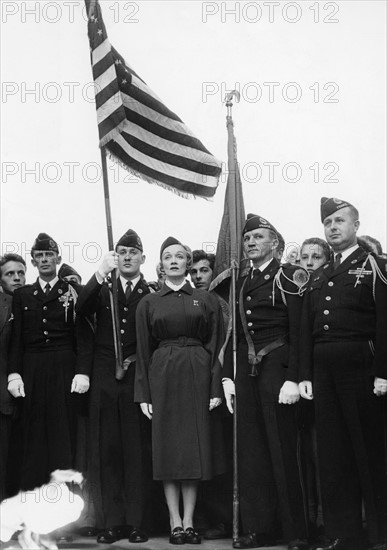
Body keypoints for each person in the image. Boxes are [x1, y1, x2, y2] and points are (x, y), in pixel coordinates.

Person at [299, 197, 387, 550]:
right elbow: (306, 328)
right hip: (324, 368)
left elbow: (384, 322)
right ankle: (343, 532)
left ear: (356, 226)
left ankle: (378, 532)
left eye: (339, 221)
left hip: (360, 366)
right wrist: (305, 374)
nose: (332, 228)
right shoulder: (319, 275)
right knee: (333, 453)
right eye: (328, 223)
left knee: (367, 451)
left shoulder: (375, 266)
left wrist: (383, 371)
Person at [222, 214, 310, 550]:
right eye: (247, 239)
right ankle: (260, 528)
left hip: (278, 368)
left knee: (282, 450)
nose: (251, 243)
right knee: (252, 452)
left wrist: (294, 377)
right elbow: (239, 334)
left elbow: (300, 331)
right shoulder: (242, 282)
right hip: (248, 370)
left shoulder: (289, 276)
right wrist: (230, 376)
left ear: (275, 242)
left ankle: (295, 532)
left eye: (259, 237)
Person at [135, 237, 224, 545]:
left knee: (192, 449)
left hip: (198, 373)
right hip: (162, 375)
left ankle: (189, 521)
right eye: (167, 256)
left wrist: (215, 386)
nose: (174, 260)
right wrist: (144, 394)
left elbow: (216, 346)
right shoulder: (149, 302)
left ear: (188, 263)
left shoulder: (205, 299)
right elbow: (144, 352)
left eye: (179, 256)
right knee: (168, 450)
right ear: (161, 264)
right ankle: (174, 521)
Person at [75, 229, 151, 545]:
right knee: (107, 452)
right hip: (105, 376)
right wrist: (99, 272)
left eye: (133, 252)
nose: (128, 257)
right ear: (115, 257)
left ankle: (136, 522)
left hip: (135, 376)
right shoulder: (103, 289)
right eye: (122, 252)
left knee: (135, 451)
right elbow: (79, 307)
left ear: (142, 258)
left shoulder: (151, 291)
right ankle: (112, 522)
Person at [7, 233, 89, 493]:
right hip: (31, 369)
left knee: (63, 438)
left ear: (58, 259)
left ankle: (64, 517)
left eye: (49, 255)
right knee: (34, 439)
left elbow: (82, 337)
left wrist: (81, 372)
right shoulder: (23, 295)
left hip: (64, 367)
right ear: (33, 261)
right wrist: (14, 374)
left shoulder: (72, 291)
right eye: (39, 256)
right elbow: (17, 339)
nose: (44, 260)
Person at [0, 254, 27, 501]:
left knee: (19, 461)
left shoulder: (30, 303)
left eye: (20, 272)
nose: (16, 277)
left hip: (25, 395)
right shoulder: (4, 304)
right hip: (4, 395)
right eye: (10, 273)